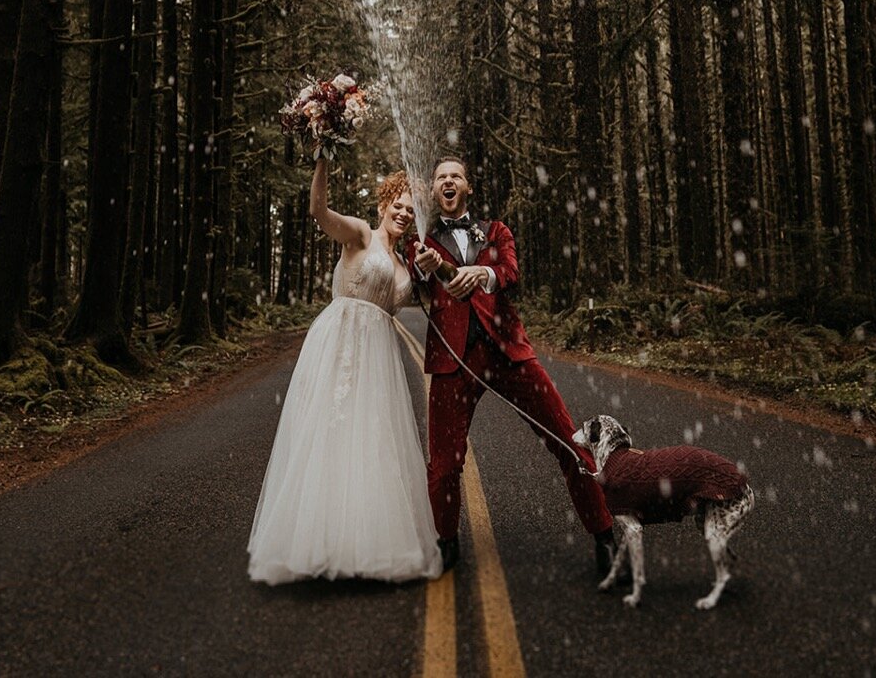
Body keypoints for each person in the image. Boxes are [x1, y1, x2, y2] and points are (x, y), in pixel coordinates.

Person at [409, 156, 617, 576]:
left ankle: (607, 537)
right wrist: (421, 268)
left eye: (456, 176)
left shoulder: (497, 231)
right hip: (453, 360)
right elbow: (415, 288)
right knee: (445, 462)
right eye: (441, 178)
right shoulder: (424, 242)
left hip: (510, 353)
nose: (448, 182)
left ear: (468, 188)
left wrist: (482, 273)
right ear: (433, 192)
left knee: (568, 441)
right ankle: (446, 543)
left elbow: (510, 271)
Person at [247, 158, 441, 584]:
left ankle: (366, 544)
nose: (405, 214)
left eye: (411, 210)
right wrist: (323, 155)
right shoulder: (359, 235)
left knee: (371, 438)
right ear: (384, 204)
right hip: (340, 340)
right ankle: (315, 540)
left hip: (380, 354)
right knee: (329, 431)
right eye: (399, 205)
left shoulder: (408, 265)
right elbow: (318, 211)